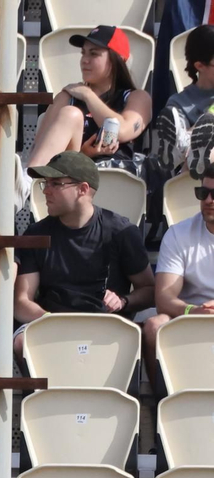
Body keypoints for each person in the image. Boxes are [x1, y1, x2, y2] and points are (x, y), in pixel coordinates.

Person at [14, 151, 153, 358]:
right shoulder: (36, 234)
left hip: (105, 325)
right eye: (46, 183)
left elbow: (150, 290)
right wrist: (53, 321)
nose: (46, 191)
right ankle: (42, 393)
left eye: (56, 184)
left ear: (83, 189)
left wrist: (124, 300)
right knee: (22, 342)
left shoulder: (120, 231)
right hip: (50, 323)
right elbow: (21, 302)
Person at [27, 25, 152, 178]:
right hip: (69, 181)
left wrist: (88, 95)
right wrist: (84, 154)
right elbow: (39, 149)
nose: (84, 60)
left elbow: (123, 131)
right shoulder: (67, 97)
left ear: (117, 59)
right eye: (83, 53)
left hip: (119, 181)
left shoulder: (137, 97)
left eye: (93, 54)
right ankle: (29, 184)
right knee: (71, 113)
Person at [143, 170, 214, 391]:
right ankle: (162, 405)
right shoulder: (179, 234)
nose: (208, 200)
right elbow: (163, 298)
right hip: (190, 315)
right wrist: (193, 312)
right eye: (203, 193)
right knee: (154, 326)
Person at [139, 25, 214, 184]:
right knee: (197, 156)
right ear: (200, 66)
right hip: (195, 182)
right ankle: (190, 146)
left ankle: (189, 143)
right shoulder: (179, 103)